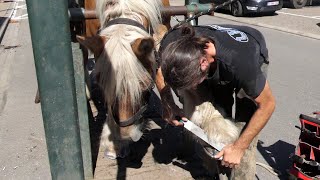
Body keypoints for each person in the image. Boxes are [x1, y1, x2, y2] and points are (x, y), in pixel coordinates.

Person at [155, 24, 276, 179]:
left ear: (203, 64)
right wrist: (168, 105)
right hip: (215, 63)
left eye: (192, 84)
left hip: (250, 50)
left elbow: (268, 105)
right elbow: (159, 70)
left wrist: (239, 148)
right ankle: (213, 170)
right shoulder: (172, 44)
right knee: (214, 120)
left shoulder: (242, 63)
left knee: (243, 130)